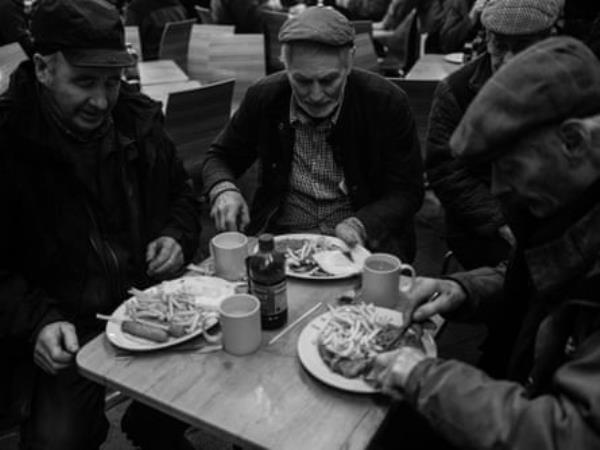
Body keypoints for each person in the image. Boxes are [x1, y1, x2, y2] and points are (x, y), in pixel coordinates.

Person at [371, 36, 600, 449]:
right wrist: (462, 289)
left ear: (574, 141)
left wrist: (424, 376)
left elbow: (574, 435)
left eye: (510, 165)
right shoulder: (570, 203)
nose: (497, 187)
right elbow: (538, 286)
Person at [0, 0, 201, 449]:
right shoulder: (10, 140)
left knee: (214, 381)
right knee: (59, 439)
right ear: (43, 68)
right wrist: (36, 323)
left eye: (112, 83)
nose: (101, 101)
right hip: (63, 322)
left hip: (148, 305)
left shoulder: (138, 118)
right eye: (85, 82)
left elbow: (183, 197)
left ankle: (153, 427)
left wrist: (176, 235)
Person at [201, 6, 424, 262]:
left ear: (350, 62)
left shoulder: (386, 102)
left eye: (329, 80)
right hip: (283, 239)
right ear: (285, 65)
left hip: (360, 246)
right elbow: (220, 155)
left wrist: (361, 224)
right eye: (303, 82)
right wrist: (224, 189)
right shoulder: (265, 96)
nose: (316, 95)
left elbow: (407, 191)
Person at [426, 0, 562, 271]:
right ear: (486, 38)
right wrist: (501, 223)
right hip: (481, 226)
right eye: (500, 46)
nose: (509, 61)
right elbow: (446, 170)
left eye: (523, 46)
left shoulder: (572, 84)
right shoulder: (457, 90)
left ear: (549, 40)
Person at [125, 0, 190, 60]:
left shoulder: (137, 7)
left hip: (150, 58)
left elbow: (130, 39)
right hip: (178, 58)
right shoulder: (177, 4)